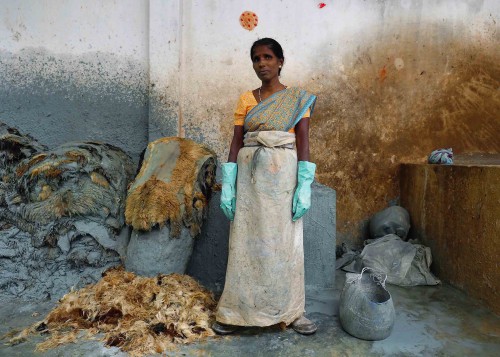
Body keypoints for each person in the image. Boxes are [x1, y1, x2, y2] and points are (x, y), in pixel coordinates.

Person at [214, 38, 317, 335]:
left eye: (268, 57)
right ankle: (236, 312)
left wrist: (304, 184)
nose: (262, 63)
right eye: (257, 59)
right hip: (248, 179)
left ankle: (293, 311)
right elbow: (235, 142)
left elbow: (303, 141)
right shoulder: (246, 99)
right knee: (245, 244)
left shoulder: (297, 98)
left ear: (280, 61)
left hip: (283, 178)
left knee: (285, 243)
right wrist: (229, 183)